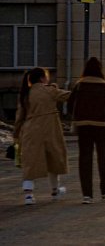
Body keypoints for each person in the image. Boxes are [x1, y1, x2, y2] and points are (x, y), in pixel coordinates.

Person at [13, 68, 70, 205]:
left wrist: (16, 134)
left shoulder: (25, 94)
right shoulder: (49, 90)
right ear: (41, 78)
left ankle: (28, 195)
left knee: (30, 162)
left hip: (30, 129)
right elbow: (67, 95)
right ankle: (55, 191)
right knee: (54, 160)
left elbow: (19, 117)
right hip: (50, 128)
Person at [68, 58, 105, 204]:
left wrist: (77, 117)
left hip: (83, 126)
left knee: (85, 159)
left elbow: (71, 104)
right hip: (101, 126)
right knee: (103, 159)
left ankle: (87, 195)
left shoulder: (79, 85)